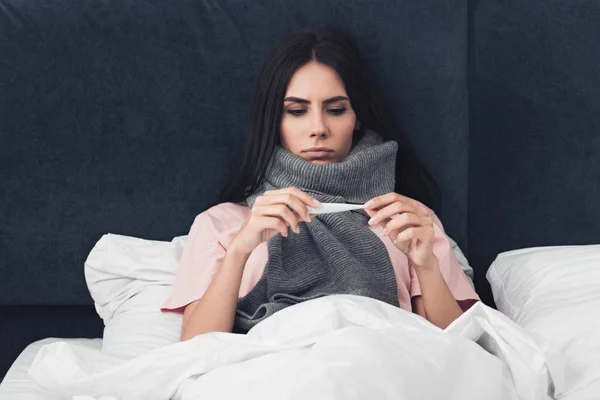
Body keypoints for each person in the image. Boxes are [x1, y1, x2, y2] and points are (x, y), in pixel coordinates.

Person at [161, 28, 479, 341]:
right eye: (297, 111)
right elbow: (196, 348)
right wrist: (241, 249)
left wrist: (425, 265)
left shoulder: (407, 218)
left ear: (357, 119)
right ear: (274, 121)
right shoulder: (220, 224)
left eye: (336, 110)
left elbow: (455, 347)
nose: (318, 128)